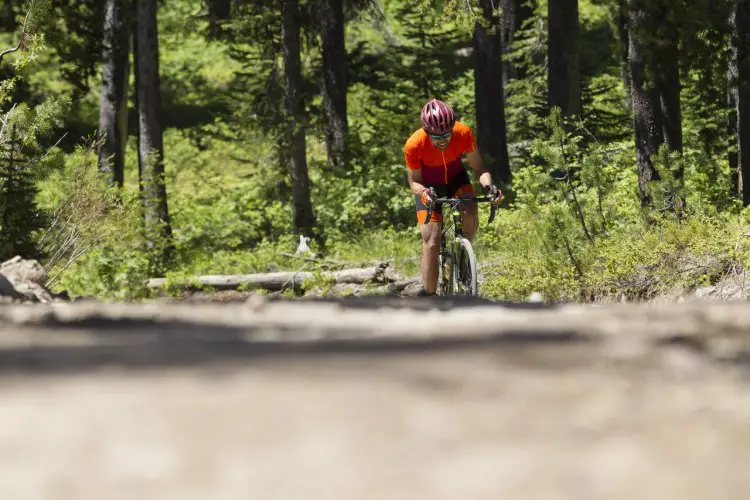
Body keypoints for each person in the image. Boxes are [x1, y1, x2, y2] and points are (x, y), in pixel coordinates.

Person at [403, 98, 502, 296]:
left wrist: (489, 187)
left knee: (470, 211)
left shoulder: (463, 132)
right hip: (428, 188)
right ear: (426, 131)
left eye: (446, 134)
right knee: (431, 239)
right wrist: (425, 193)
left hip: (456, 179)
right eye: (435, 136)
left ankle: (463, 255)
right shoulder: (414, 144)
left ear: (452, 127)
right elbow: (414, 183)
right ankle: (429, 295)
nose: (442, 140)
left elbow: (479, 168)